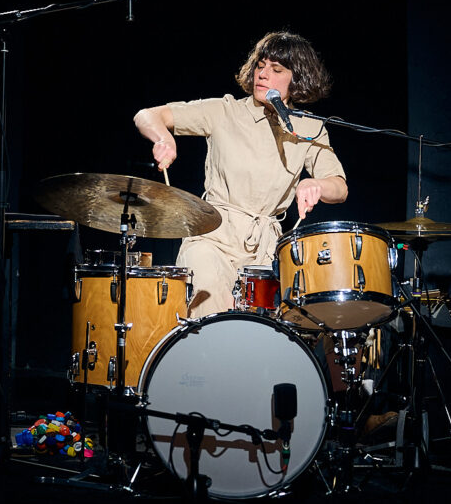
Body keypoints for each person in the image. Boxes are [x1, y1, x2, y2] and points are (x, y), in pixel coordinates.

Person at [133, 30, 348, 317]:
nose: (263, 74)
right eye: (261, 65)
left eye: (276, 69)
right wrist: (164, 138)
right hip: (213, 237)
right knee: (212, 307)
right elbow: (147, 115)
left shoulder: (309, 128)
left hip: (266, 249)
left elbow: (340, 187)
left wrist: (316, 185)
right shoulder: (225, 111)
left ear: (296, 80)